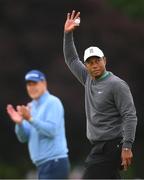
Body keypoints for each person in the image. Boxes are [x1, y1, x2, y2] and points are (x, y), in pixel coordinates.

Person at [63, 10, 137, 179]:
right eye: (90, 62)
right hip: (98, 145)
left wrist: (127, 147)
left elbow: (130, 115)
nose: (94, 65)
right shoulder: (88, 78)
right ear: (86, 66)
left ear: (105, 60)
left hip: (114, 145)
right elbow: (72, 59)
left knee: (89, 177)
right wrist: (67, 34)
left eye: (97, 61)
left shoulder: (116, 84)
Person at [7, 70, 70, 179]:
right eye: (29, 84)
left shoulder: (53, 102)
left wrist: (30, 119)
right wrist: (20, 124)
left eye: (35, 83)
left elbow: (51, 131)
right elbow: (23, 138)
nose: (31, 87)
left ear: (44, 83)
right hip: (43, 165)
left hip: (55, 162)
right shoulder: (30, 107)